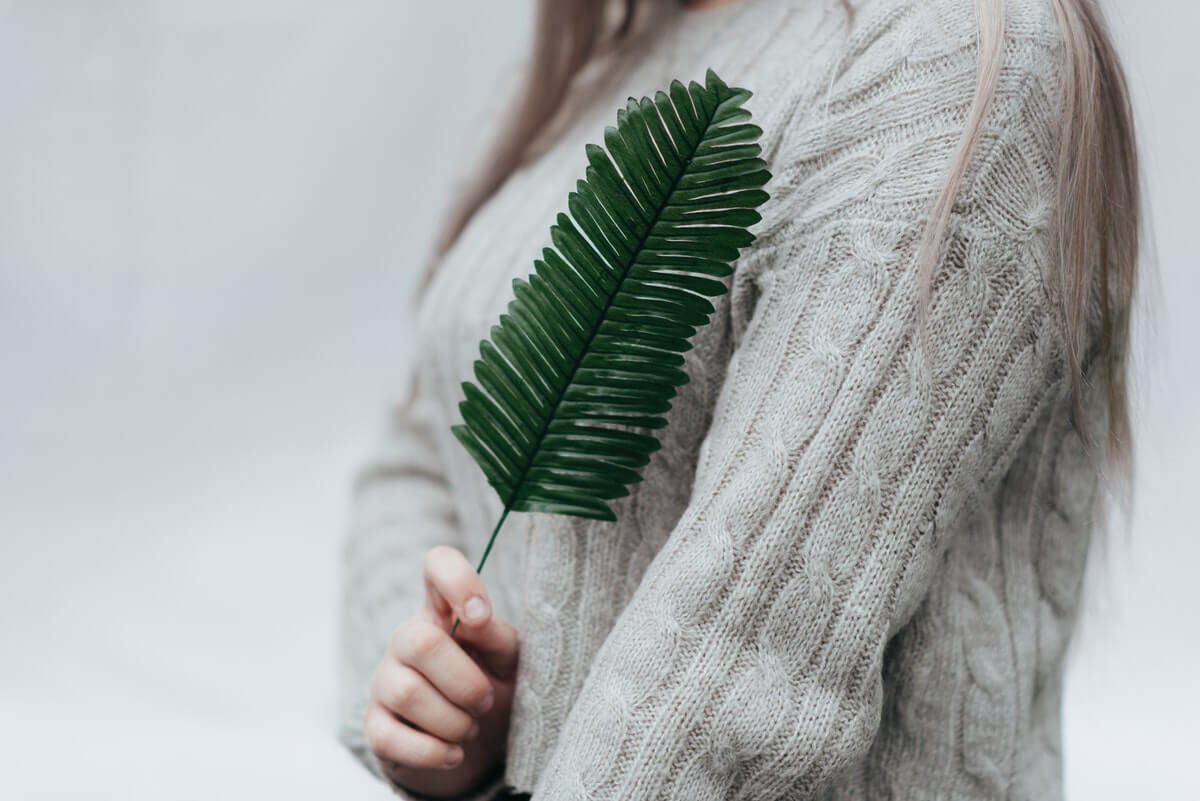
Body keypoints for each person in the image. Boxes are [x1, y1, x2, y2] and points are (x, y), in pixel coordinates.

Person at [336, 0, 1141, 798]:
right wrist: (440, 702)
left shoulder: (950, 52)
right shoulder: (603, 60)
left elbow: (742, 662)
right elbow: (419, 450)